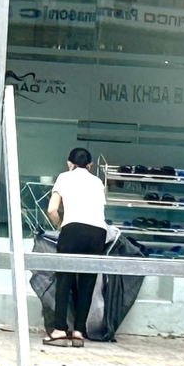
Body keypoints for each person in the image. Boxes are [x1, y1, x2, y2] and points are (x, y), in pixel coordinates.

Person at [44, 147, 109, 347]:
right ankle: (79, 332)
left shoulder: (64, 177)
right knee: (87, 282)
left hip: (73, 230)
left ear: (69, 163)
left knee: (64, 279)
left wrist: (59, 225)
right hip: (98, 232)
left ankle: (59, 330)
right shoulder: (98, 182)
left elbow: (52, 209)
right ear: (90, 166)